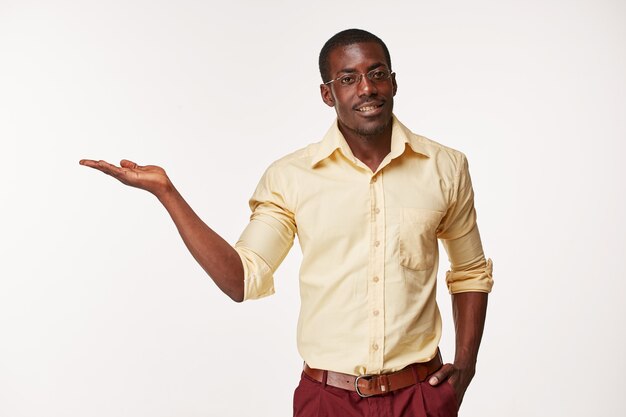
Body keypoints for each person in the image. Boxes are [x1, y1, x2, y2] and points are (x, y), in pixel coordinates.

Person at [80, 28, 493, 417]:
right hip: (327, 400)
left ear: (394, 82)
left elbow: (470, 272)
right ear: (327, 94)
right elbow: (241, 280)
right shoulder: (290, 177)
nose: (366, 88)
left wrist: (466, 369)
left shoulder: (445, 167)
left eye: (377, 74)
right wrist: (167, 193)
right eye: (348, 78)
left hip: (419, 396)